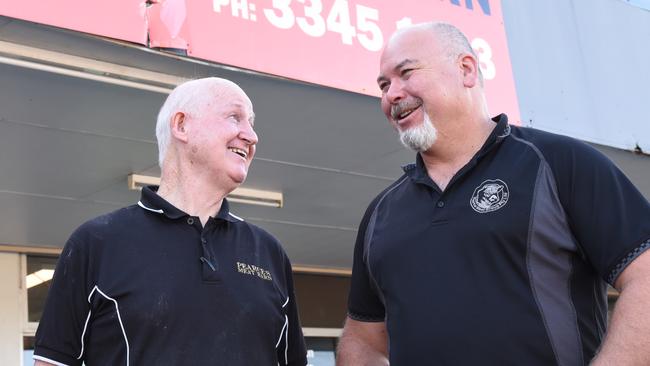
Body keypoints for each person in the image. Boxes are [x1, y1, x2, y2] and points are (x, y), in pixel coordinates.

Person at [337, 22, 650, 365]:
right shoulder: (380, 214)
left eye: (406, 73)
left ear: (466, 70)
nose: (391, 95)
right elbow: (362, 338)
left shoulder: (560, 164)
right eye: (383, 85)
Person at [33, 78, 307, 365]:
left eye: (251, 123)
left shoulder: (268, 253)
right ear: (181, 125)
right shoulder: (97, 243)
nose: (252, 136)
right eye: (234, 117)